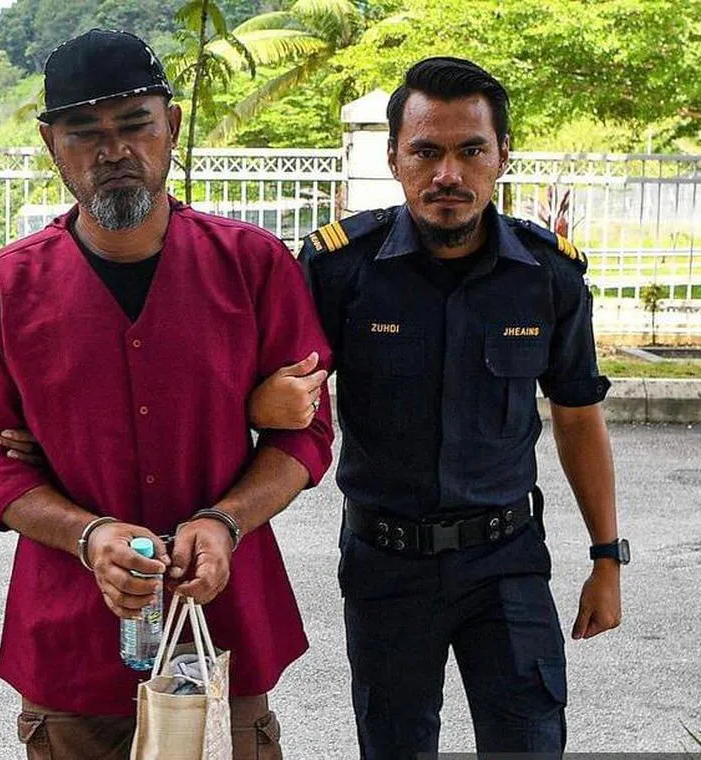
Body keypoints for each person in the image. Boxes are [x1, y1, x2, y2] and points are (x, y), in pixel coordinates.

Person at [0, 28, 335, 760]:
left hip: (223, 635)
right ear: (51, 145)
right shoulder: (4, 289)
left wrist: (226, 522)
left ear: (173, 126)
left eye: (135, 125)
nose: (114, 150)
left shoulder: (252, 266)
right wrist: (86, 535)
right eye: (84, 133)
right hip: (71, 646)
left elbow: (307, 433)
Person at [256, 57, 625, 757]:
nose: (447, 174)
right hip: (386, 562)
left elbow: (578, 415)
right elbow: (280, 388)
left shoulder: (547, 275)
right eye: (426, 152)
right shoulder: (339, 269)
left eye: (470, 151)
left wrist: (607, 558)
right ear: (394, 158)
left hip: (507, 559)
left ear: (502, 157)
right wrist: (262, 401)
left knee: (529, 744)